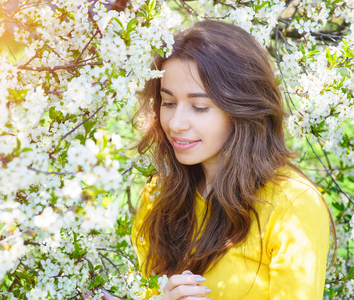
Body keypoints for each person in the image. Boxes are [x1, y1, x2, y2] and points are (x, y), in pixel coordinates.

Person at [124, 20, 333, 300]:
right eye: (168, 102)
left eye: (199, 107)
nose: (175, 124)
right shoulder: (159, 195)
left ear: (241, 108)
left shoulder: (292, 204)